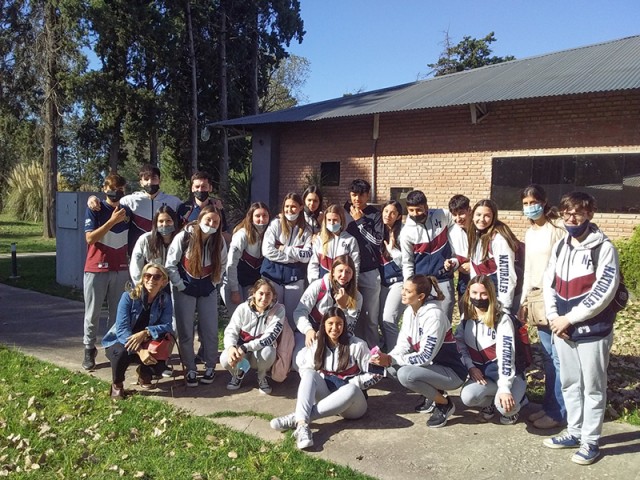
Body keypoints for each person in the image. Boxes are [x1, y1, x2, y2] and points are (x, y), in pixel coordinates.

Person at [542, 192, 620, 466]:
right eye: (566, 213)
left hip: (592, 330)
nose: (571, 218)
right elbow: (548, 282)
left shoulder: (604, 248)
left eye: (577, 212)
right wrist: (554, 317)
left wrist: (570, 319)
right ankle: (574, 432)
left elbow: (604, 291)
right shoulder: (562, 245)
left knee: (593, 388)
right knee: (570, 384)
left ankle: (591, 441)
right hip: (562, 328)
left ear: (590, 214)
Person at [270, 307, 380, 450]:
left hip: (353, 406)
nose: (335, 328)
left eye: (339, 324)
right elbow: (304, 368)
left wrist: (354, 382)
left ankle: (296, 417)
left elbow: (375, 374)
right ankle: (302, 426)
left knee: (351, 389)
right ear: (324, 325)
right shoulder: (317, 344)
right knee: (309, 373)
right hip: (328, 396)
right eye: (330, 324)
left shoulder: (357, 345)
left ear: (344, 325)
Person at [371, 275, 466, 428]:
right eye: (403, 289)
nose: (402, 293)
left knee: (405, 375)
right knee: (391, 368)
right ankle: (433, 393)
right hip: (433, 369)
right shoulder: (410, 311)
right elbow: (403, 345)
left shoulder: (434, 316)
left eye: (408, 291)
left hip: (452, 372)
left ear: (421, 296)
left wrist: (392, 360)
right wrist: (387, 357)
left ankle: (444, 403)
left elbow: (425, 357)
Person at [517, 185, 566, 429]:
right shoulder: (530, 232)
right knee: (547, 358)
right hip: (537, 298)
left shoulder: (557, 229)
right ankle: (549, 406)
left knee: (557, 359)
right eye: (525, 203)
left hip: (555, 298)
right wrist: (524, 301)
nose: (529, 207)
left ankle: (558, 412)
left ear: (544, 202)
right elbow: (527, 270)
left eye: (533, 202)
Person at [165, 205, 228, 387]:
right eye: (208, 220)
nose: (211, 224)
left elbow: (223, 264)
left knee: (210, 330)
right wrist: (180, 284)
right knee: (185, 331)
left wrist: (213, 283)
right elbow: (171, 264)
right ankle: (190, 368)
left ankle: (210, 367)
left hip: (207, 288)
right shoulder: (184, 236)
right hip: (185, 287)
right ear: (200, 219)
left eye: (215, 221)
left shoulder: (219, 241)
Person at [455, 275, 528, 425]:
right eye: (474, 293)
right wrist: (471, 366)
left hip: (509, 375)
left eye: (483, 294)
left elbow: (507, 355)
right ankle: (489, 403)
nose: (478, 297)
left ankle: (518, 400)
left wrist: (505, 388)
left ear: (491, 294)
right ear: (468, 292)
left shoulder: (502, 319)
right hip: (484, 375)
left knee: (505, 409)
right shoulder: (465, 317)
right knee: (468, 397)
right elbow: (460, 345)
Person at [82, 173, 132, 371]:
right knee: (92, 313)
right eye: (111, 189)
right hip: (96, 268)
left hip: (120, 269)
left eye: (119, 190)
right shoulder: (95, 208)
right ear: (104, 189)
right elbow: (90, 239)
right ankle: (88, 348)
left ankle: (112, 347)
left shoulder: (127, 210)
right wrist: (111, 221)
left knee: (117, 313)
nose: (115, 193)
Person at [102, 263, 174, 399]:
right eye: (148, 276)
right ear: (143, 278)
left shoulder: (164, 300)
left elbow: (167, 325)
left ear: (164, 281)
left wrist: (145, 333)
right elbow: (122, 330)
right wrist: (141, 351)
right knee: (121, 352)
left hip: (146, 340)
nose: (151, 280)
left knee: (159, 358)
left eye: (157, 277)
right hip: (121, 340)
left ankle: (145, 372)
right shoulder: (128, 297)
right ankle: (117, 385)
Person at [88, 164, 181, 255]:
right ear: (141, 182)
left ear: (159, 180)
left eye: (154, 178)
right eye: (146, 179)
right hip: (137, 253)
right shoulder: (129, 200)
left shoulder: (174, 201)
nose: (150, 182)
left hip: (166, 253)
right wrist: (92, 199)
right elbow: (110, 203)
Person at [293, 255, 362, 367]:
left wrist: (342, 308)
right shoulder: (318, 286)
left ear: (353, 275)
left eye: (348, 272)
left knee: (336, 364)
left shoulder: (357, 297)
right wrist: (308, 330)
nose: (344, 275)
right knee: (299, 363)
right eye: (340, 271)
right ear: (333, 271)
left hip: (337, 336)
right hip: (313, 331)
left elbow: (349, 328)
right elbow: (300, 312)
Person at [399, 190, 457, 321]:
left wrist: (455, 255)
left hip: (443, 277)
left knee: (445, 319)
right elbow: (407, 262)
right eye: (411, 210)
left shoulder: (442, 215)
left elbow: (456, 227)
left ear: (426, 206)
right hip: (422, 282)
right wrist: (409, 285)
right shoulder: (406, 232)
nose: (415, 214)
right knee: (422, 319)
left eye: (418, 210)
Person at [220, 279, 285, 395]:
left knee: (268, 352)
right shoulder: (242, 308)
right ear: (253, 293)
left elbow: (270, 337)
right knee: (224, 358)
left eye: (268, 294)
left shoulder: (279, 310)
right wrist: (231, 348)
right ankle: (238, 374)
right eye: (261, 293)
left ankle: (262, 377)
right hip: (241, 354)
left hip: (258, 353)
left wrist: (246, 347)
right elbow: (231, 330)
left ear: (273, 296)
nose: (264, 298)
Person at [261, 193, 313, 325]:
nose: (289, 210)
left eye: (294, 207)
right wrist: (294, 258)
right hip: (272, 275)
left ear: (301, 207)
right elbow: (267, 251)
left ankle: (290, 344)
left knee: (292, 318)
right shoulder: (275, 224)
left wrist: (285, 248)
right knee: (272, 318)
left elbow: (307, 257)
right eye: (287, 206)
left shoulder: (306, 230)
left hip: (294, 278)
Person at [344, 179, 383, 348]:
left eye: (361, 195)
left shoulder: (375, 214)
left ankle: (374, 352)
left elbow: (377, 241)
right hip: (346, 273)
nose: (357, 199)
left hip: (369, 271)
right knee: (352, 314)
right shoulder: (343, 211)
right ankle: (356, 349)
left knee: (370, 317)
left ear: (367, 195)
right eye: (354, 194)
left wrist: (360, 222)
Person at [467, 199, 521, 315]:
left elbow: (506, 275)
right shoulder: (475, 235)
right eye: (478, 215)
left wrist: (504, 306)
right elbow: (474, 270)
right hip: (482, 297)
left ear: (493, 217)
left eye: (487, 216)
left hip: (498, 299)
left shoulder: (499, 239)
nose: (481, 219)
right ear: (472, 215)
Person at [223, 202, 271, 316]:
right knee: (238, 318)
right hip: (234, 281)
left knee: (252, 316)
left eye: (265, 216)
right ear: (251, 217)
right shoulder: (242, 235)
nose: (261, 219)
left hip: (252, 283)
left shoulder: (269, 234)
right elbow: (231, 264)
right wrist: (234, 290)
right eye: (257, 216)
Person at [307, 204, 360, 283]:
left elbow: (355, 265)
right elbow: (313, 264)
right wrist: (314, 282)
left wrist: (352, 285)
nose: (331, 223)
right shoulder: (319, 239)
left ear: (341, 220)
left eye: (335, 220)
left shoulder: (350, 240)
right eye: (329, 220)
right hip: (323, 284)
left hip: (343, 284)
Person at [378, 200, 404, 352]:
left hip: (398, 282)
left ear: (399, 216)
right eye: (386, 211)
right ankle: (389, 349)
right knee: (381, 321)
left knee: (389, 320)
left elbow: (406, 262)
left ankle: (395, 358)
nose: (388, 215)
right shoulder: (378, 230)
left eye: (393, 212)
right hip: (382, 283)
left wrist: (393, 250)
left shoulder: (402, 233)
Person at [130, 206, 179, 284]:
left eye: (169, 221)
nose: (165, 224)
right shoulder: (145, 239)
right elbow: (135, 266)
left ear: (174, 222)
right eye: (161, 221)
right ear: (156, 223)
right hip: (151, 285)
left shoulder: (180, 240)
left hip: (175, 285)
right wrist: (139, 285)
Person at [177, 171, 229, 242]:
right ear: (192, 188)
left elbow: (223, 232)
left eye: (204, 186)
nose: (200, 190)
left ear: (210, 188)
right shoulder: (184, 208)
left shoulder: (217, 208)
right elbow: (177, 232)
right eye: (197, 186)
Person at [447, 194, 472, 312]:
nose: (458, 218)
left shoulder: (481, 229)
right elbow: (455, 257)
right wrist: (453, 264)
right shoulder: (452, 232)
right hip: (465, 279)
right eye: (454, 215)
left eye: (461, 213)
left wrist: (472, 265)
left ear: (469, 210)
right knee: (465, 313)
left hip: (485, 277)